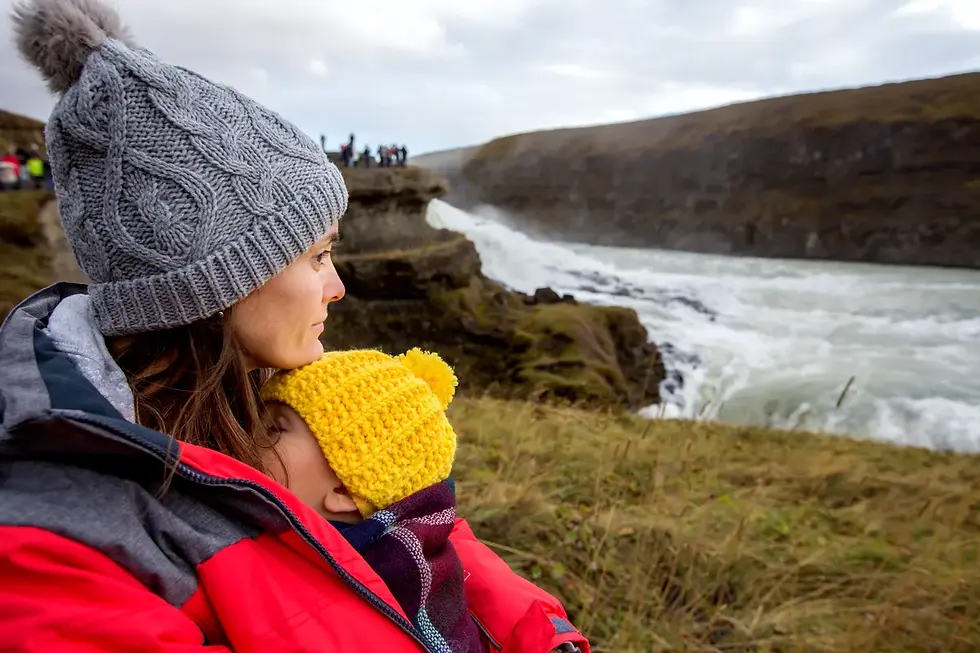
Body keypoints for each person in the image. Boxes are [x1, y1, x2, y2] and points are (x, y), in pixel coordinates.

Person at [0, 1, 588, 653]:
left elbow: (420, 524)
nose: (338, 286)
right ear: (218, 282)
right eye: (317, 255)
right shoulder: (53, 555)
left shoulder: (266, 392)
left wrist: (541, 633)